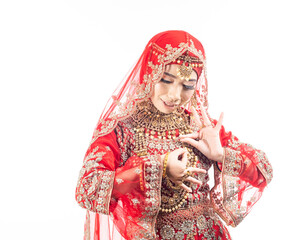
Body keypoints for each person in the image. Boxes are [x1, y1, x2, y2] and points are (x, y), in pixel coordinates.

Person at [75, 30, 273, 240]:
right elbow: (87, 190)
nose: (174, 96)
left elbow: (264, 173)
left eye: (187, 86)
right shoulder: (121, 129)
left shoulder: (202, 126)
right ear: (148, 73)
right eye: (166, 80)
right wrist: (156, 168)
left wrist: (221, 154)